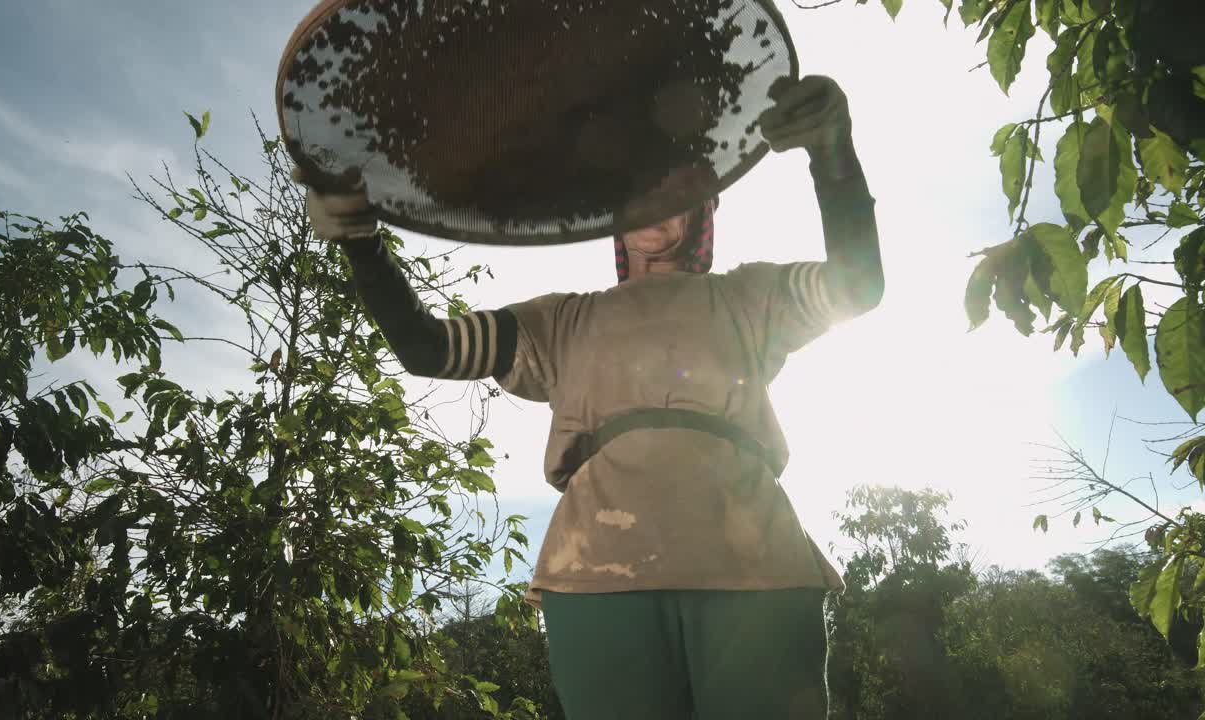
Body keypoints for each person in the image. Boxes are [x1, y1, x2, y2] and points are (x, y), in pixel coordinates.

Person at [298, 75, 882, 720]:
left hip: (756, 564)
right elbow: (427, 348)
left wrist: (833, 153)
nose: (651, 200)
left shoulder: (749, 296)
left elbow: (858, 286)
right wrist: (362, 244)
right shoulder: (562, 320)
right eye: (634, 190)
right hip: (598, 569)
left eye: (673, 187)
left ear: (702, 211)